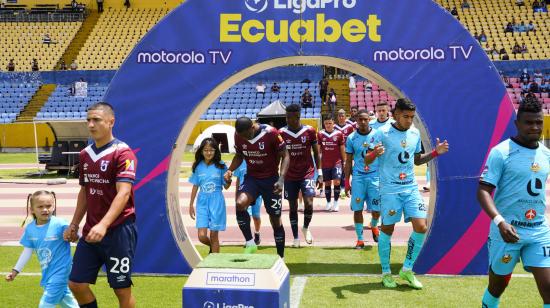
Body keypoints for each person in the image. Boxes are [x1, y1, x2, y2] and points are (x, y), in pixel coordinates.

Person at [366, 98, 449, 289]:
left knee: (421, 226)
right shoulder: (382, 133)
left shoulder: (415, 133)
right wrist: (373, 154)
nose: (409, 120)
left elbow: (418, 160)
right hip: (389, 190)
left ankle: (407, 269)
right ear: (395, 115)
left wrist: (435, 153)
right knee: (387, 229)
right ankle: (386, 273)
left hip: (410, 188)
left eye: (412, 117)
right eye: (405, 116)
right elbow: (367, 160)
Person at [63, 102, 138, 308]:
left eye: (96, 119)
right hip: (91, 231)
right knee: (76, 283)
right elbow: (85, 192)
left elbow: (123, 194)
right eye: (88, 120)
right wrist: (74, 224)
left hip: (118, 232)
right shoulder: (85, 154)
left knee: (121, 289)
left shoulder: (123, 153)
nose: (91, 124)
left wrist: (104, 225)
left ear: (110, 121)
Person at [478, 97, 550, 307]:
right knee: (497, 286)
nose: (535, 127)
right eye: (529, 122)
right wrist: (500, 222)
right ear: (517, 124)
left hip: (538, 231)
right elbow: (483, 191)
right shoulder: (501, 152)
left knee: (548, 289)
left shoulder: (546, 154)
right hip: (507, 231)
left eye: (539, 122)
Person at [224, 117, 289, 257]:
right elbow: (239, 155)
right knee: (240, 204)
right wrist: (229, 170)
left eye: (246, 135)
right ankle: (250, 242)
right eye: (241, 136)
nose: (244, 139)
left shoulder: (271, 133)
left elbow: (286, 155)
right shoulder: (238, 135)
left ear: (252, 127)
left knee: (275, 220)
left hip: (271, 180)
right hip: (252, 178)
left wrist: (281, 179)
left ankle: (281, 256)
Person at [5, 191, 79, 308]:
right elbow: (27, 251)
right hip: (48, 272)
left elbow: (76, 236)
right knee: (67, 301)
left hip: (62, 271)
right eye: (40, 206)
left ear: (53, 206)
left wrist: (74, 235)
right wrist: (15, 271)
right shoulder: (30, 229)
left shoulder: (60, 224)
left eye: (48, 206)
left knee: (45, 304)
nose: (45, 209)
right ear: (32, 209)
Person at [279, 104, 322, 247]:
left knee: (309, 204)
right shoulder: (281, 133)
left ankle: (305, 227)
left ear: (298, 116)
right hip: (289, 175)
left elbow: (316, 152)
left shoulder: (309, 131)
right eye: (288, 117)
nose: (291, 120)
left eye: (294, 117)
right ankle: (296, 238)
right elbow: (278, 156)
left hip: (307, 173)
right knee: (292, 207)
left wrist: (319, 173)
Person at [344, 110, 381, 249]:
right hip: (358, 177)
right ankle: (360, 240)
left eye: (366, 119)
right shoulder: (351, 138)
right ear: (356, 121)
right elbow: (348, 161)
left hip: (375, 176)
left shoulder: (377, 135)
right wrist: (346, 182)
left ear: (369, 120)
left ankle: (374, 225)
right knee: (357, 209)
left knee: (377, 209)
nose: (363, 122)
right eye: (360, 119)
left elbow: (383, 156)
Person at [189, 138, 231, 254]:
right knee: (201, 236)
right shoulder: (198, 166)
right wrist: (191, 204)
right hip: (202, 201)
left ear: (216, 151)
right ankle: (213, 247)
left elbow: (227, 186)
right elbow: (195, 186)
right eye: (206, 150)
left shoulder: (221, 166)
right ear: (201, 151)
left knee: (213, 235)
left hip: (216, 201)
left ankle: (215, 264)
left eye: (211, 150)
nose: (208, 153)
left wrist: (229, 180)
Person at [318, 114, 346, 212]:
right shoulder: (320, 134)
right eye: (326, 123)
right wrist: (318, 165)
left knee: (337, 181)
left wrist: (345, 161)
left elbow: (342, 148)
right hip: (325, 163)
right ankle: (328, 202)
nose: (328, 125)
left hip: (337, 162)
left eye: (330, 123)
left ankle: (336, 202)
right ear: (324, 124)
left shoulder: (339, 134)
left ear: (333, 123)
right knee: (327, 183)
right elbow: (318, 151)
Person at [234, 161, 263, 245]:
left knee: (256, 216)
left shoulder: (256, 160)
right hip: (243, 194)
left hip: (257, 193)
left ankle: (257, 232)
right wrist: (237, 194)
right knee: (246, 214)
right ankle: (249, 239)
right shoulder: (240, 162)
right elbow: (238, 179)